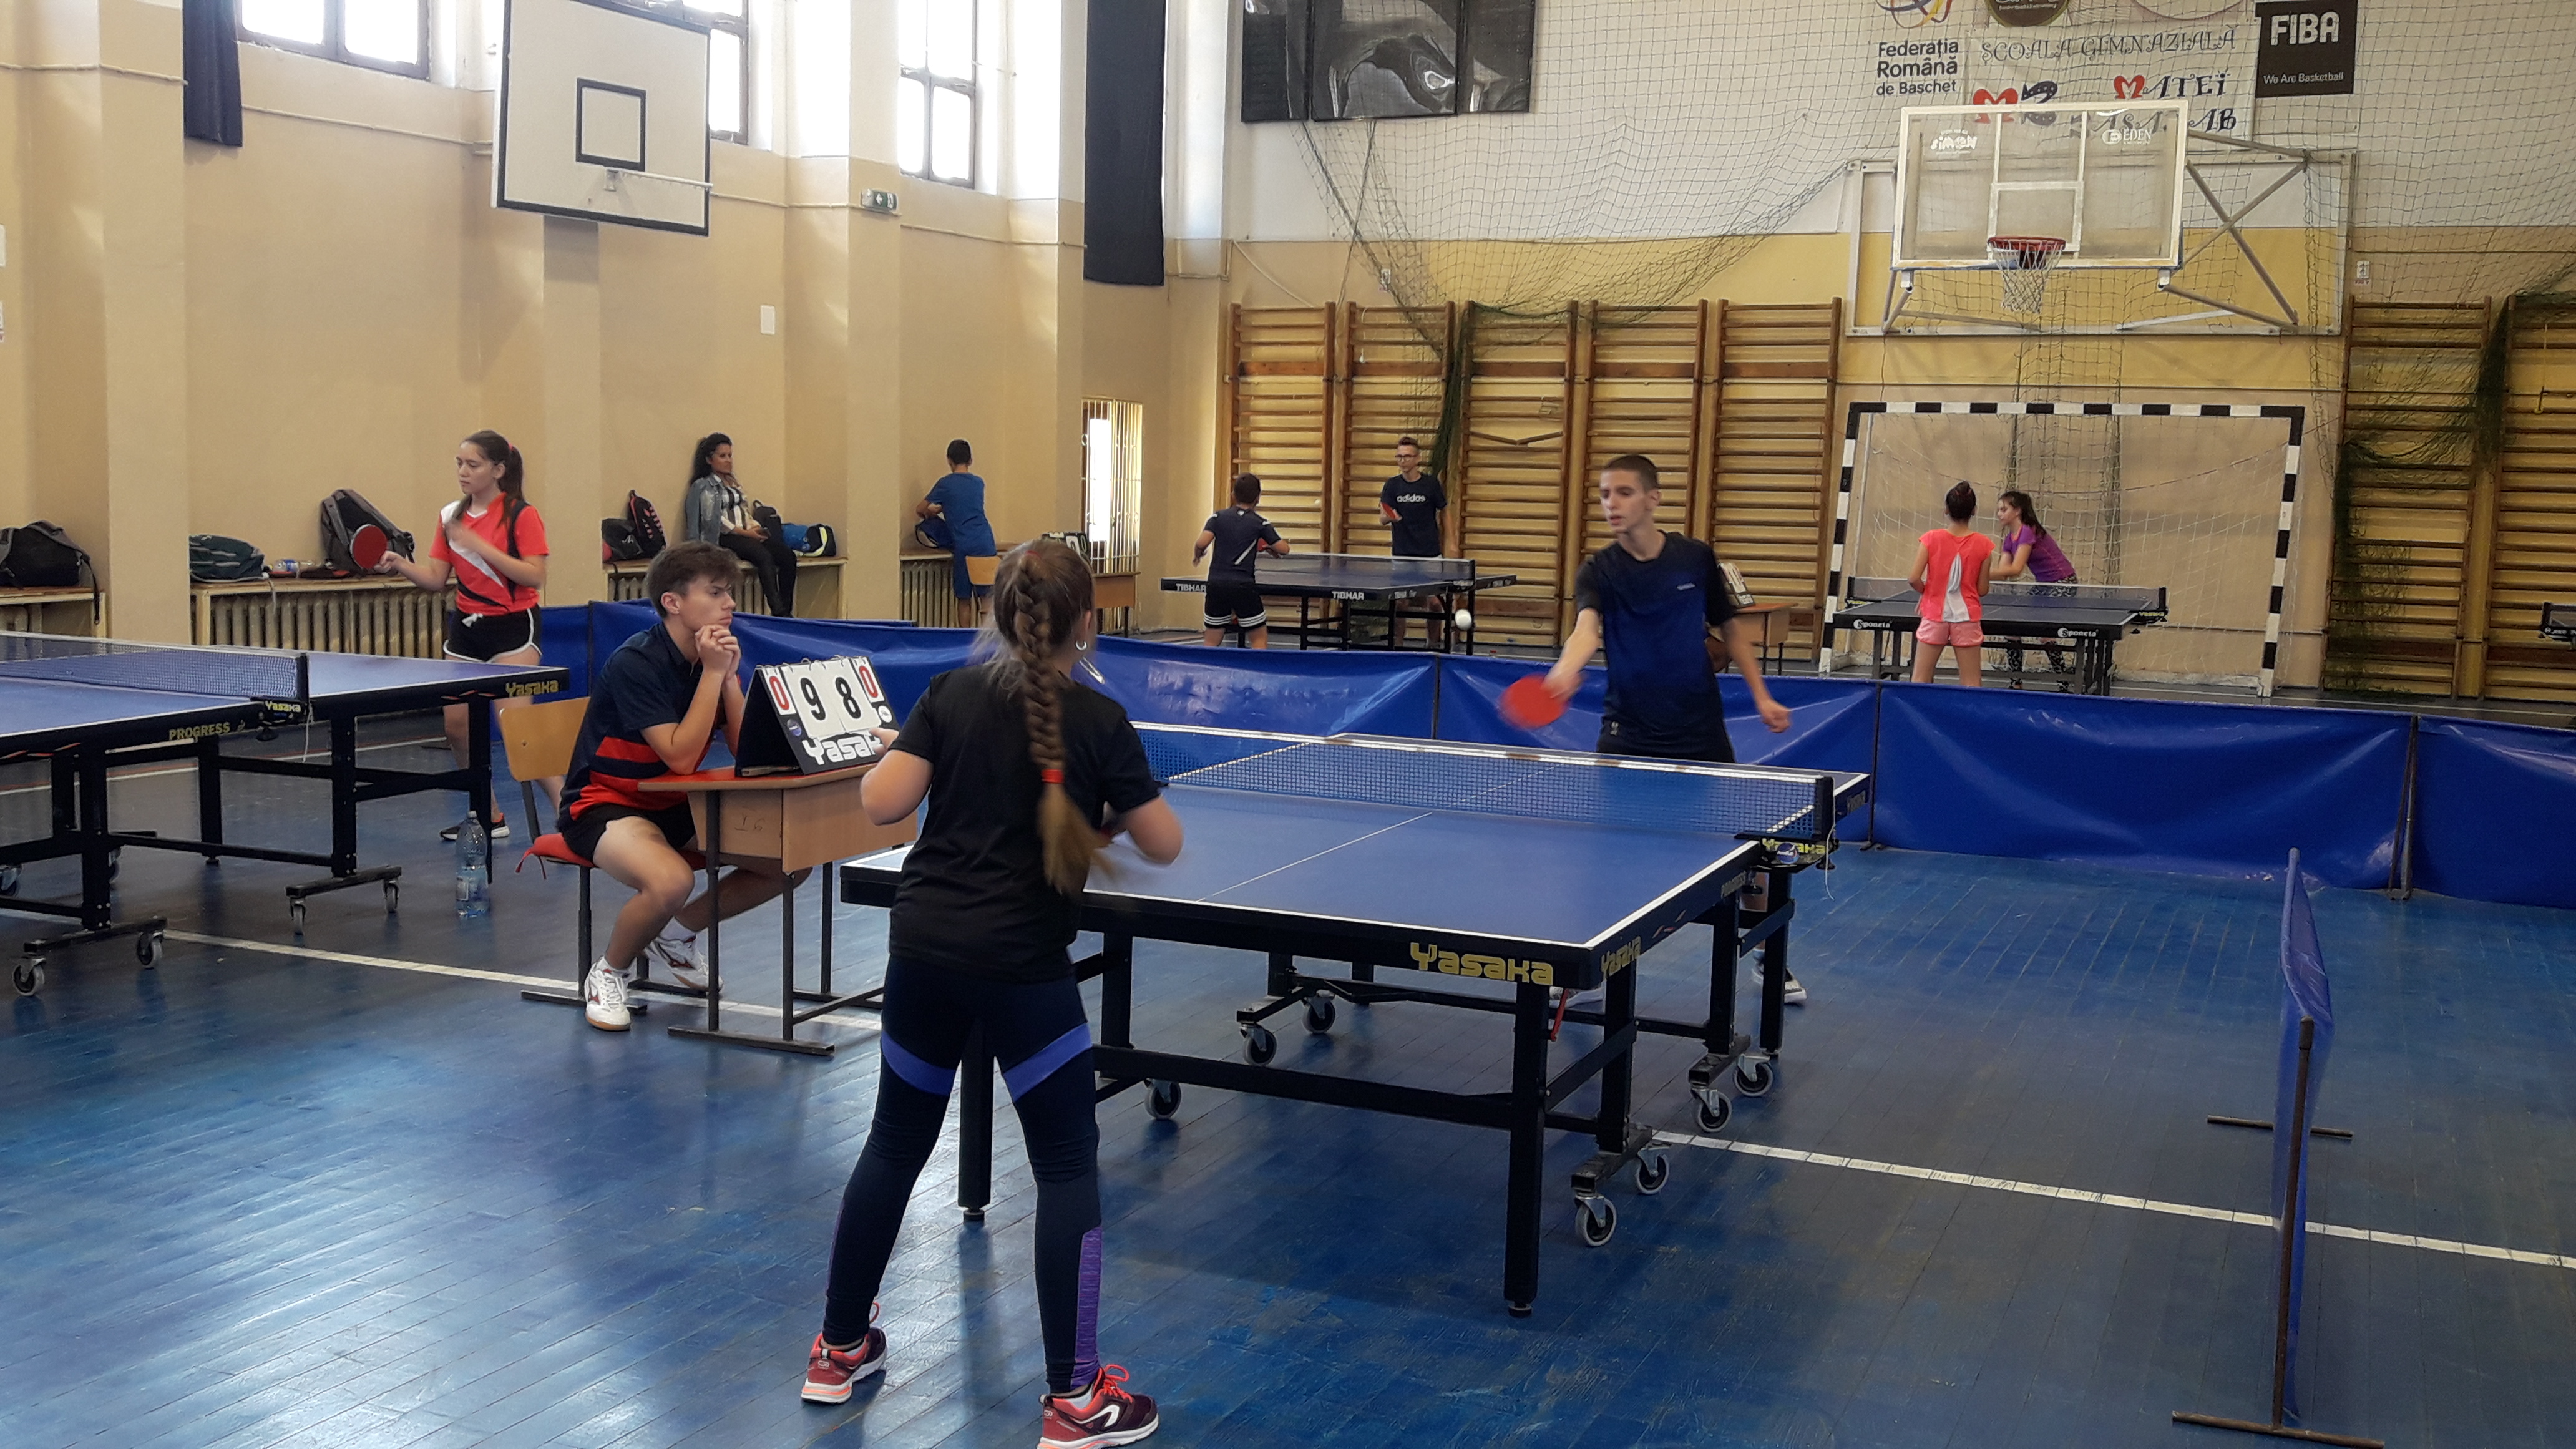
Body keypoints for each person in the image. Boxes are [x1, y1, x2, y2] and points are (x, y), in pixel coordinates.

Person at [804, 538, 1181, 1446]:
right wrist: (1098, 812)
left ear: (999, 615)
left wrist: (907, 750)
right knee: (1066, 1164)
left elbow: (882, 802)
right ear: (1088, 622)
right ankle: (1076, 1399)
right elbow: (1164, 843)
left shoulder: (949, 694)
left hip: (925, 952)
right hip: (1023, 971)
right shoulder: (1100, 721)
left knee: (895, 1141)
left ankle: (838, 1347)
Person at [1543, 454, 1803, 1003]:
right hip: (1628, 733)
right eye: (1604, 494)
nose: (1611, 504)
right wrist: (1564, 673)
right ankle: (1590, 973)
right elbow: (1586, 630)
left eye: (1623, 492)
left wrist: (1762, 696)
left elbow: (1731, 629)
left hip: (1699, 731)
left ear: (1653, 499)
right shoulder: (1599, 570)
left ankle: (1768, 955)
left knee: (1745, 855)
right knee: (1609, 857)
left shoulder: (1695, 558)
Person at [556, 541, 810, 1031]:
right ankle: (608, 972)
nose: (730, 603)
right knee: (672, 881)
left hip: (676, 803)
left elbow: (745, 751)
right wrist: (714, 674)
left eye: (729, 592)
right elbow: (678, 754)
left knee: (790, 863)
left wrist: (729, 680)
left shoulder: (711, 659)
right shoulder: (636, 663)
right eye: (715, 592)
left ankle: (675, 934)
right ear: (673, 602)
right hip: (605, 803)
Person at [378, 429, 554, 841]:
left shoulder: (521, 515)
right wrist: (400, 564)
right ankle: (488, 815)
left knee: (518, 733)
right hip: (467, 629)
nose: (463, 471)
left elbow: (535, 575)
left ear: (498, 470)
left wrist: (479, 545)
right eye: (459, 463)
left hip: (514, 627)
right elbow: (437, 579)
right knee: (457, 727)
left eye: (473, 465)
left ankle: (572, 816)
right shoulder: (449, 517)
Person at [684, 433, 799, 617]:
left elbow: (743, 509)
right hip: (724, 537)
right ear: (709, 460)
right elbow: (715, 520)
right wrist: (744, 534)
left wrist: (753, 527)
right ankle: (778, 611)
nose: (728, 460)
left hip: (745, 533)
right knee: (763, 557)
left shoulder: (733, 482)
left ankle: (787, 610)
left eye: (730, 455)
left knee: (787, 556)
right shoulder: (703, 486)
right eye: (723, 456)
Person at [1909, 481, 1997, 688]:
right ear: (1974, 511)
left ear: (1946, 510)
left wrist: (1929, 593)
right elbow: (1982, 590)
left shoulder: (1930, 539)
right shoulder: (1985, 545)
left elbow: (1913, 578)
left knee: (1920, 679)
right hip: (1967, 618)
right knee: (1971, 682)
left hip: (1934, 615)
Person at [1194, 474, 1289, 648]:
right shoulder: (1260, 523)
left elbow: (1201, 543)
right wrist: (1270, 546)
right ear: (1258, 498)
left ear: (1233, 495)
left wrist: (1198, 554)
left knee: (1211, 640)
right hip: (1243, 585)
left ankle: (1203, 665)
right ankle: (1256, 665)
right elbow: (1284, 549)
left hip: (1217, 584)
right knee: (1258, 638)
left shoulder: (1217, 518)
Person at [1991, 487, 2076, 679]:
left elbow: (2016, 569)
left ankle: (2063, 681)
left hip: (2064, 582)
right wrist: (1978, 575)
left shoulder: (2028, 532)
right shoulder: (2009, 539)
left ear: (2017, 511)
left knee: (2045, 634)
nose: (1999, 514)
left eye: (2004, 509)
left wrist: (1978, 574)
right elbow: (2004, 573)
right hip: (2044, 586)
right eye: (1998, 510)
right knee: (2012, 630)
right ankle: (2016, 682)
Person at [914, 439, 998, 624]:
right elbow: (966, 505)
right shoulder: (978, 483)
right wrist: (945, 507)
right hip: (985, 542)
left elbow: (920, 509)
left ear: (949, 460)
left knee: (964, 599)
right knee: (986, 599)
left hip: (964, 545)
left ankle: (964, 637)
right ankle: (988, 638)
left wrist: (933, 511)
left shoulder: (945, 484)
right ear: (971, 460)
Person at [1380, 436, 1450, 646]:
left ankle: (1433, 645)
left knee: (1435, 603)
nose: (1403, 460)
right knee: (1400, 602)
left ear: (1418, 459)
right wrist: (1390, 518)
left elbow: (1445, 511)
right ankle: (1397, 645)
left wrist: (1452, 542)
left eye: (1407, 456)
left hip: (1429, 553)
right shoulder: (1392, 485)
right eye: (1399, 457)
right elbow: (1382, 517)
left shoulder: (1431, 484)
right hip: (1402, 554)